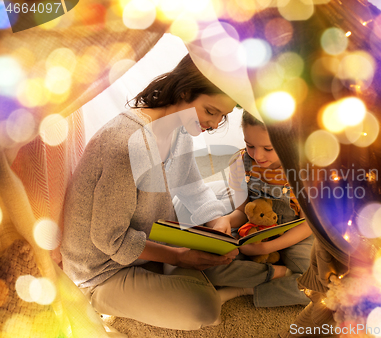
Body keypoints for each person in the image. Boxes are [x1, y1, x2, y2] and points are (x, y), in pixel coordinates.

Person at [60, 54, 240, 330]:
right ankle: (197, 279)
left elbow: (193, 187)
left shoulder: (178, 129)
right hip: (102, 269)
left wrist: (218, 222)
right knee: (203, 308)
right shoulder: (126, 145)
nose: (214, 124)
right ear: (184, 92)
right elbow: (110, 240)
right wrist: (179, 257)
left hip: (150, 234)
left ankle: (184, 268)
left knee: (224, 197)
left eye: (222, 116)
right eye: (210, 111)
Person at [203, 110, 314, 307]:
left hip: (296, 233)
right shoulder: (240, 162)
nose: (258, 155)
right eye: (250, 145)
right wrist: (226, 220)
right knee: (209, 264)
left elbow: (308, 224)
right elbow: (241, 211)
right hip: (252, 229)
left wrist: (266, 247)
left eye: (268, 148)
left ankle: (246, 288)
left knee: (323, 283)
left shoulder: (304, 168)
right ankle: (280, 273)